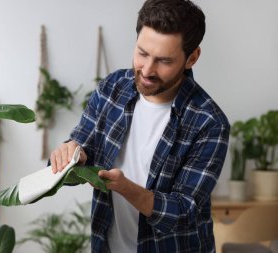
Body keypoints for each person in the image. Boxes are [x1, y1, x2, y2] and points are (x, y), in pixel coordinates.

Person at [50, 0, 230, 252]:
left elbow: (183, 212)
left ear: (192, 58)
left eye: (164, 61)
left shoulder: (209, 122)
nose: (146, 70)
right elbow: (80, 146)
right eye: (142, 53)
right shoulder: (113, 87)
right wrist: (70, 153)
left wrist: (126, 189)